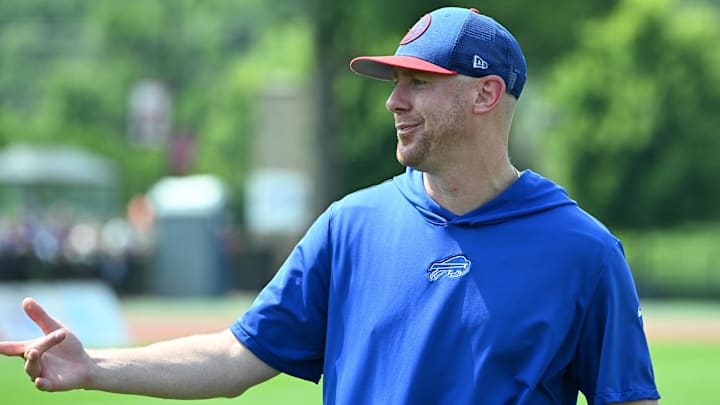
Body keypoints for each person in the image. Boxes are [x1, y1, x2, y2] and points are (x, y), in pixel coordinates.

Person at [0, 7, 660, 405]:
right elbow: (235, 358)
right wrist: (94, 367)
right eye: (395, 81)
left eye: (418, 83)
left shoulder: (583, 252)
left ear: (486, 95)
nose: (393, 101)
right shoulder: (350, 226)